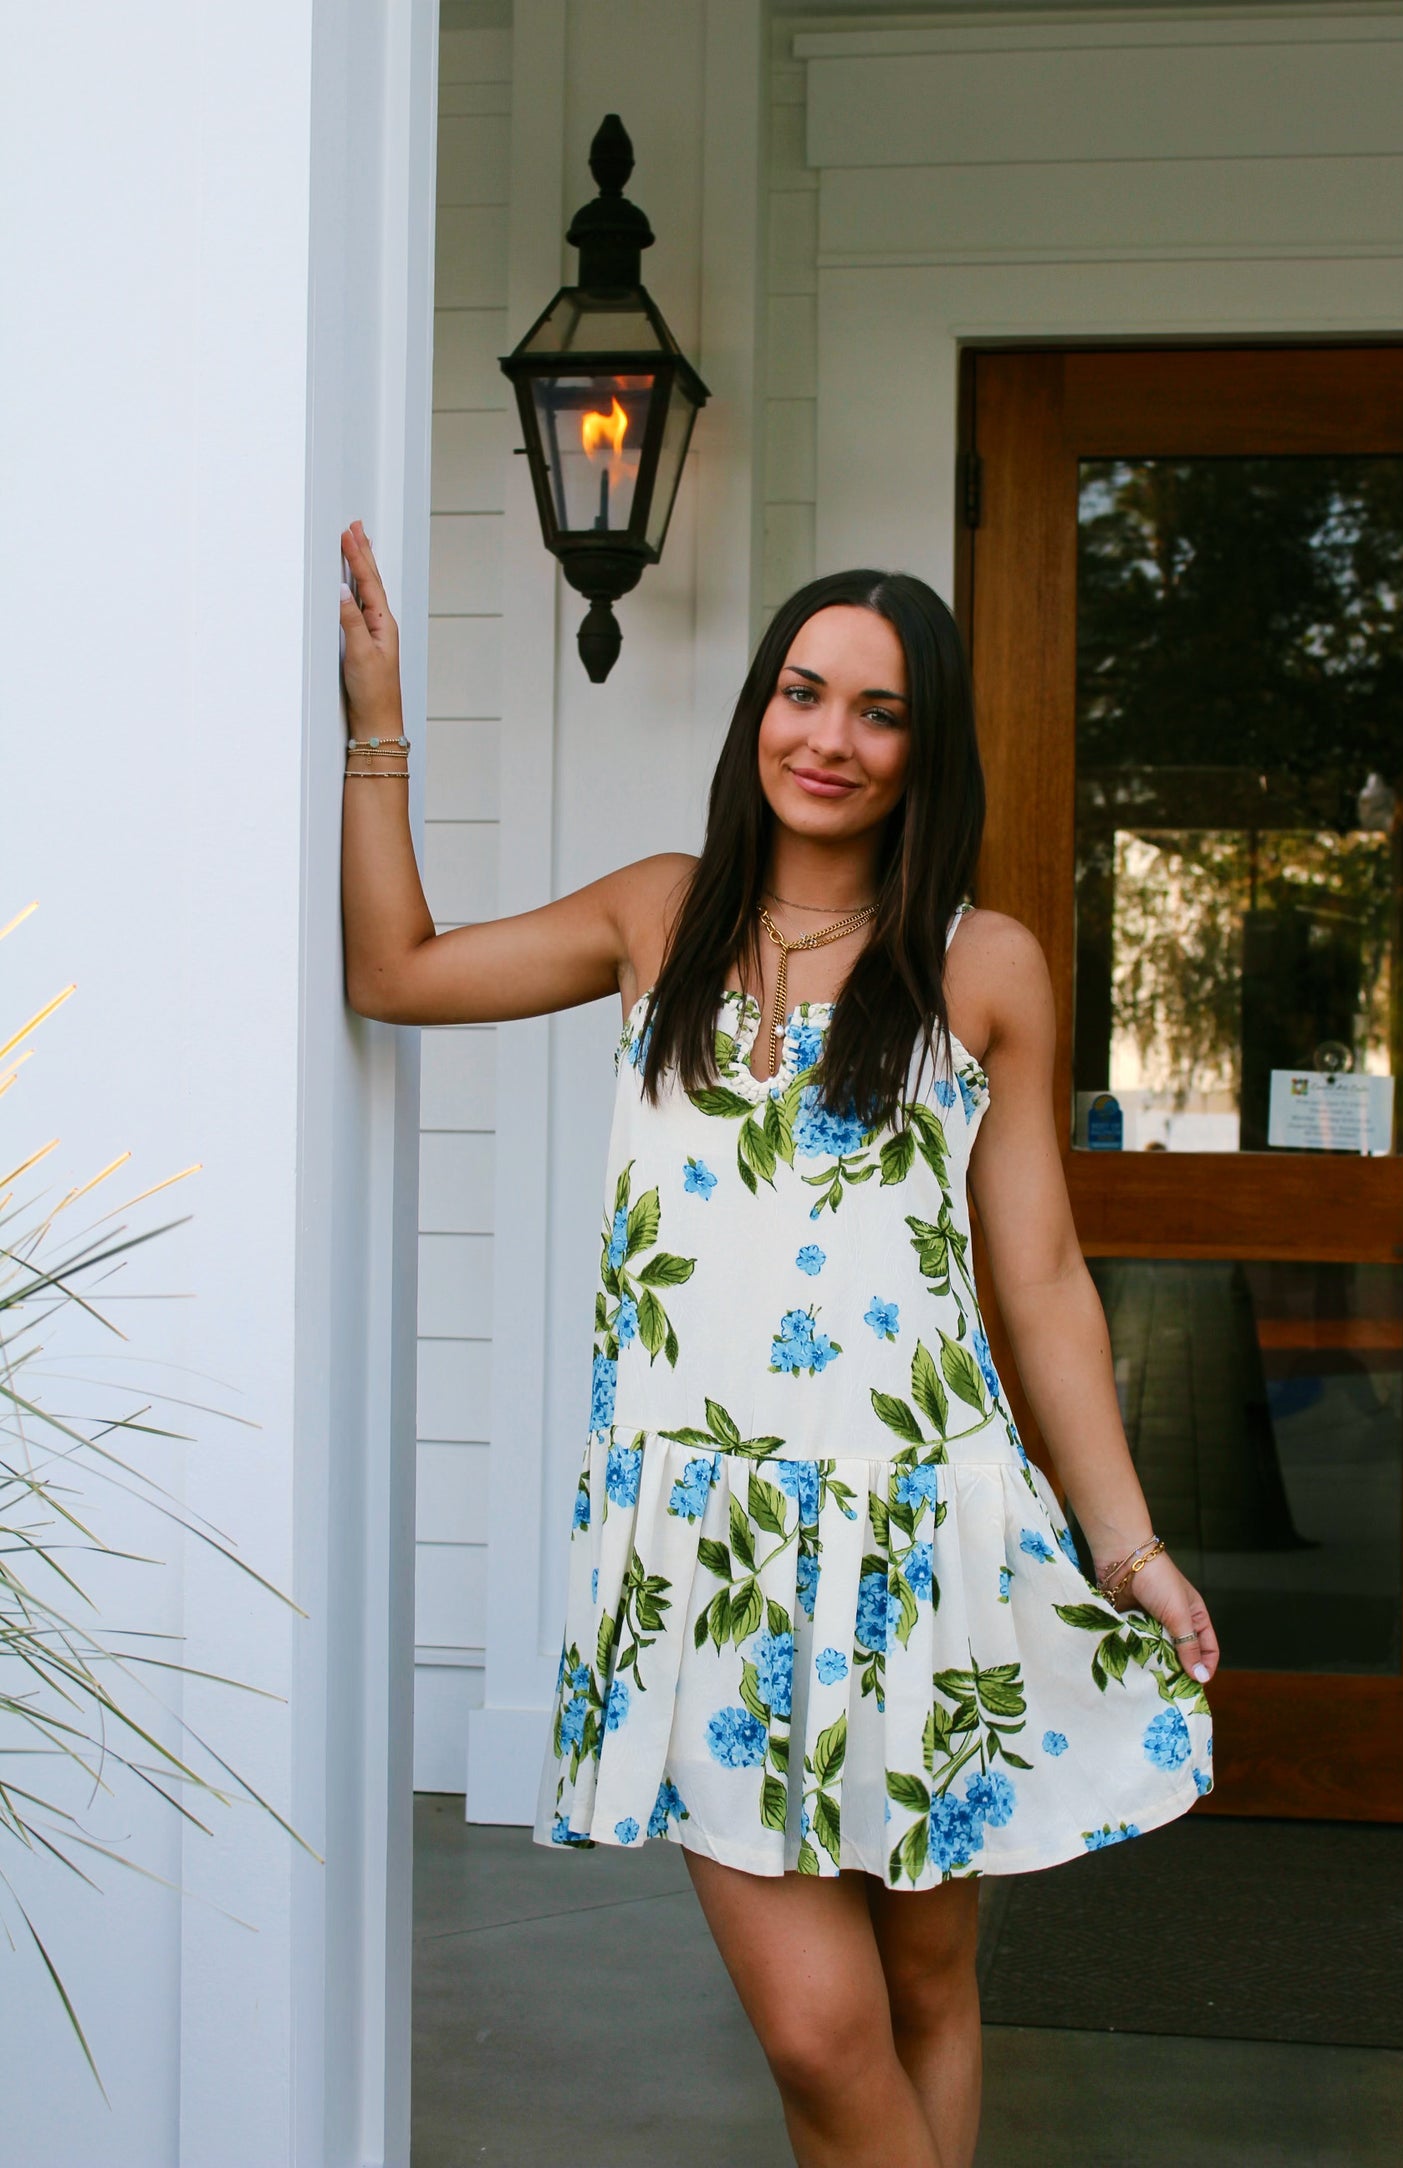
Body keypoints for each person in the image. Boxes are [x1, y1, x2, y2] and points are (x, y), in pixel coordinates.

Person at [340, 522, 1218, 2168]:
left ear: (922, 748)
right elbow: (397, 972)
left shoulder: (979, 964)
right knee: (824, 2039)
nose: (827, 738)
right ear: (758, 711)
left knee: (927, 1985)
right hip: (709, 1556)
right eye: (801, 694)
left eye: (876, 712)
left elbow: (1037, 1281)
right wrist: (375, 731)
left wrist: (1128, 1544)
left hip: (921, 1539)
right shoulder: (655, 918)